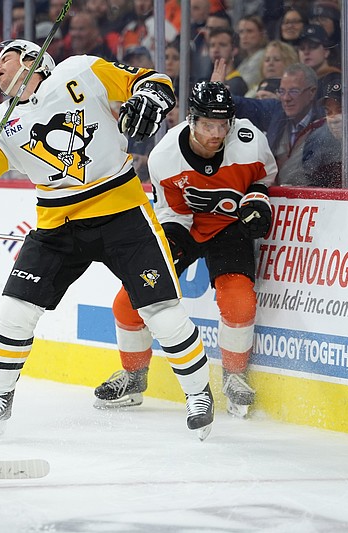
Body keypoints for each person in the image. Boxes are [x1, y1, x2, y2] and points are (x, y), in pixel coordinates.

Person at [0, 39, 214, 441]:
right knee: (14, 311)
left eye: (4, 58)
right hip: (57, 225)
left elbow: (151, 81)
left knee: (161, 310)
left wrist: (151, 97)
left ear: (33, 56)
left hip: (121, 212)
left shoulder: (80, 70)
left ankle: (198, 394)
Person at [93, 81, 277, 419]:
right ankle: (133, 378)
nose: (216, 133)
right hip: (186, 225)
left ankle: (234, 377)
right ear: (191, 120)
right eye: (208, 124)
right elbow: (170, 211)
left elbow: (263, 179)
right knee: (131, 299)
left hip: (229, 226)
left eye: (223, 125)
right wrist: (173, 242)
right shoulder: (166, 156)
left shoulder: (250, 141)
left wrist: (257, 200)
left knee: (239, 300)